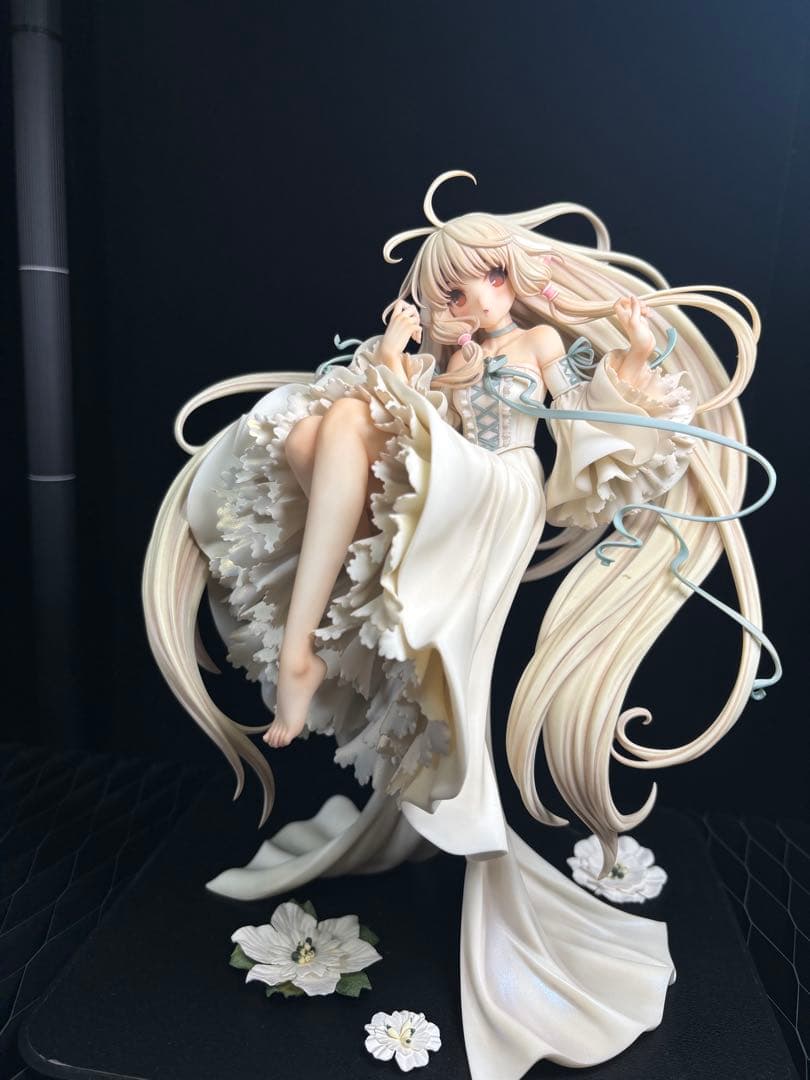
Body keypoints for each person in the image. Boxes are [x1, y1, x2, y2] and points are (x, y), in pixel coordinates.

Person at [142, 171, 779, 1078]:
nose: (471, 300)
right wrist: (406, 360)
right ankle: (307, 651)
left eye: (485, 279)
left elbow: (589, 415)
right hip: (443, 488)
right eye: (450, 290)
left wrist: (634, 352)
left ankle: (306, 660)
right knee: (319, 428)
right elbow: (410, 427)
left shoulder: (541, 343)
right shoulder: (452, 354)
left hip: (496, 492)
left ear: (514, 277)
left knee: (352, 426)